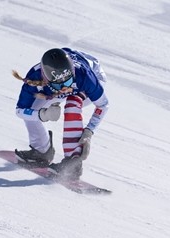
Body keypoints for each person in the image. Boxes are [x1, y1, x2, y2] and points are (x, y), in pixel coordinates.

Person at [13, 47, 108, 179]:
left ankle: (73, 162)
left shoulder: (84, 76)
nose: (65, 88)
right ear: (45, 79)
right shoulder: (34, 78)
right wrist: (42, 114)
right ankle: (42, 151)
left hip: (92, 76)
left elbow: (103, 105)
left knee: (72, 102)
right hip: (58, 87)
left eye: (68, 81)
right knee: (33, 109)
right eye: (58, 85)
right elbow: (20, 110)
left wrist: (89, 131)